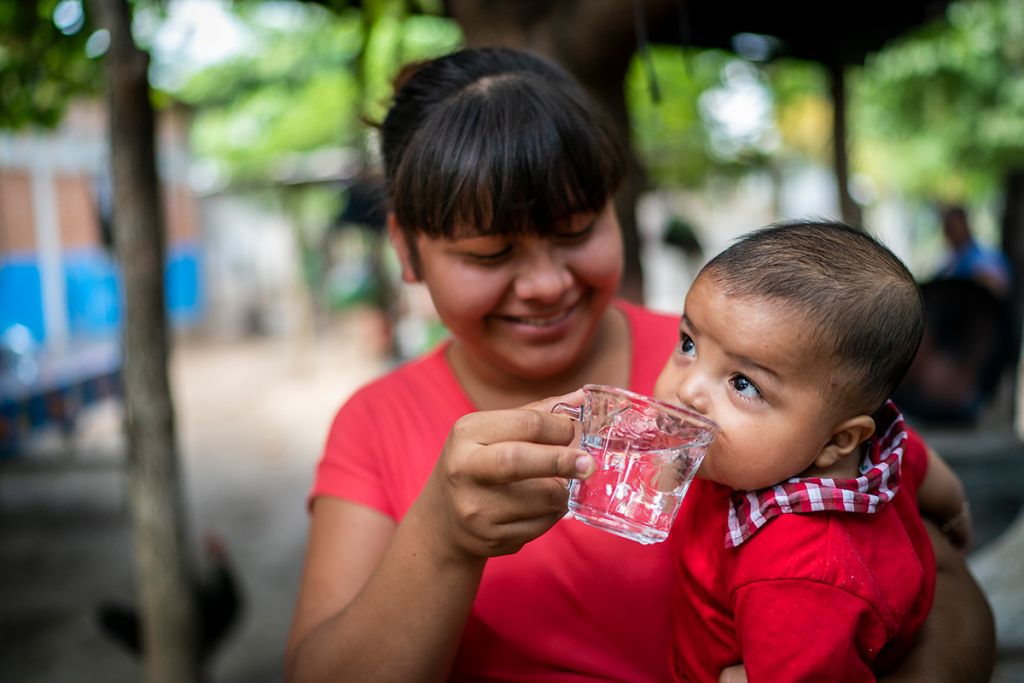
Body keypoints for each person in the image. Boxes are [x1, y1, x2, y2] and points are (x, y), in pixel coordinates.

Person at [285, 47, 994, 682]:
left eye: (576, 230)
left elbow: (941, 592)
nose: (546, 284)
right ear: (406, 250)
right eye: (490, 254)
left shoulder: (749, 374)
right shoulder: (376, 425)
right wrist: (442, 537)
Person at [653, 221, 977, 681]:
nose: (686, 391)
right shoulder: (878, 447)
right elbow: (931, 474)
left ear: (837, 442)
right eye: (689, 343)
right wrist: (957, 516)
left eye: (743, 383)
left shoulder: (800, 576)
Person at [935, 204, 1011, 299]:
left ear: (965, 225)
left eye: (952, 227)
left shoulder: (985, 256)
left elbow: (999, 286)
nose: (948, 233)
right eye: (946, 228)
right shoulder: (950, 263)